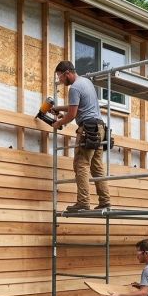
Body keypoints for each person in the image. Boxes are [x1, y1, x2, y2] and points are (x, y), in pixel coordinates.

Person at [51, 61, 111, 211]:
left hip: (88, 128)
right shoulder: (86, 82)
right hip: (100, 128)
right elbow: (77, 106)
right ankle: (105, 201)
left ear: (67, 73)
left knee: (81, 164)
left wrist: (58, 124)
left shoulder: (74, 88)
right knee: (97, 167)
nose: (60, 80)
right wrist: (58, 108)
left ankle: (83, 202)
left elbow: (72, 114)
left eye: (60, 77)